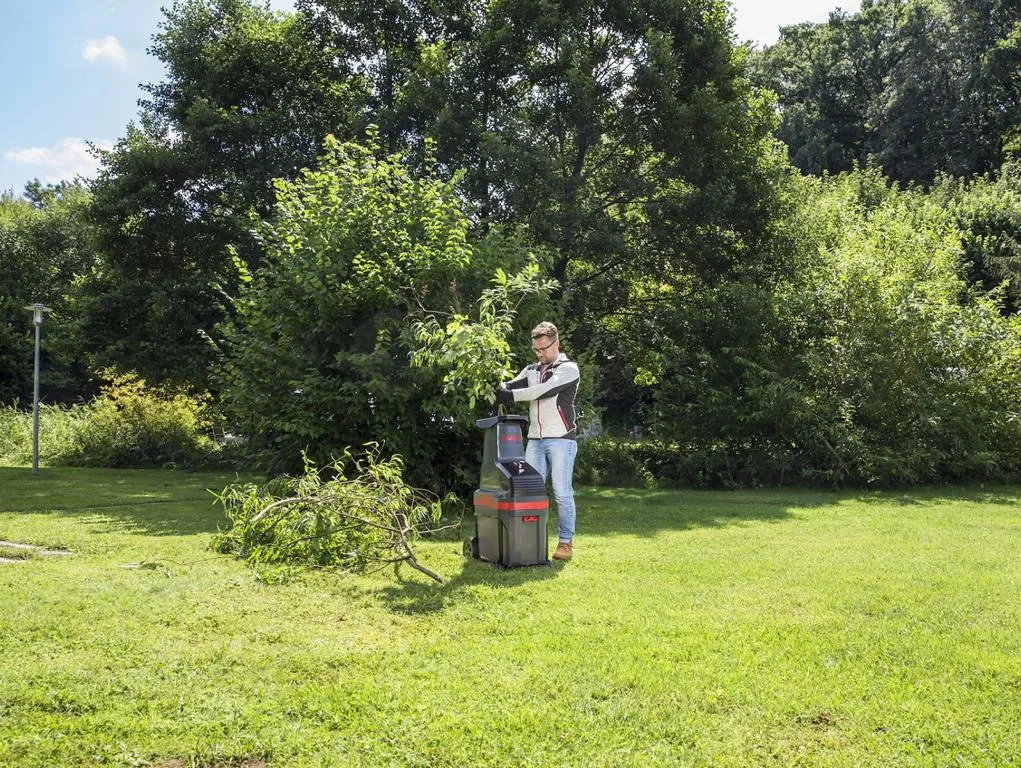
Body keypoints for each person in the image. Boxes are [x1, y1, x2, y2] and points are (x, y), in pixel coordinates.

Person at [496, 322, 580, 561]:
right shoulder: (531, 370)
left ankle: (565, 543)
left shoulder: (569, 369)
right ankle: (531, 540)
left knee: (562, 492)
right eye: (536, 349)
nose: (540, 353)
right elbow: (510, 385)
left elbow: (544, 390)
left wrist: (510, 396)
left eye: (544, 348)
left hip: (561, 439)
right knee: (530, 491)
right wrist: (497, 384)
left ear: (556, 343)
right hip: (535, 440)